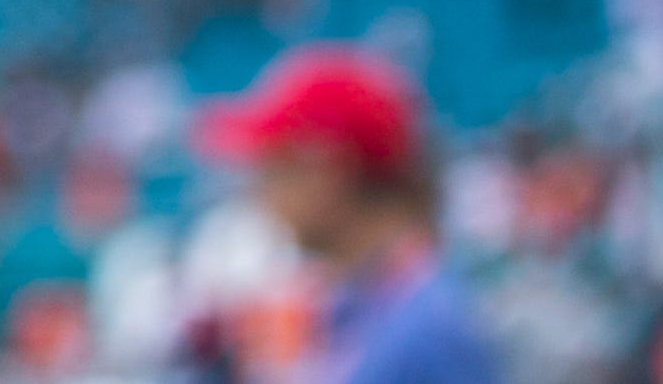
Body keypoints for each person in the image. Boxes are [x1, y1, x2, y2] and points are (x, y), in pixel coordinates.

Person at [200, 45, 501, 384]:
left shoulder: (428, 327)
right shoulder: (370, 303)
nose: (260, 193)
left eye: (275, 169)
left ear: (330, 170)